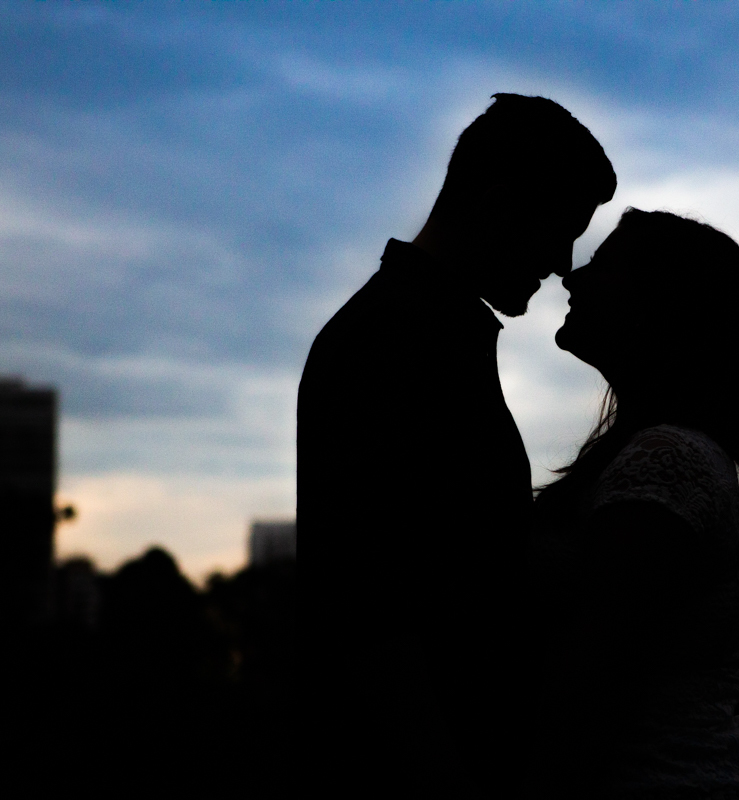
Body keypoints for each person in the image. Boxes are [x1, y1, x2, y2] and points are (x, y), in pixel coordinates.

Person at [297, 94, 615, 795]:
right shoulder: (395, 341)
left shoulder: (417, 330)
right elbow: (368, 605)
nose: (563, 264)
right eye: (560, 231)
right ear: (500, 205)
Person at [528, 209, 739, 798]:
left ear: (657, 304)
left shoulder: (666, 460)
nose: (571, 277)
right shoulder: (661, 453)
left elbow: (590, 679)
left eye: (602, 265)